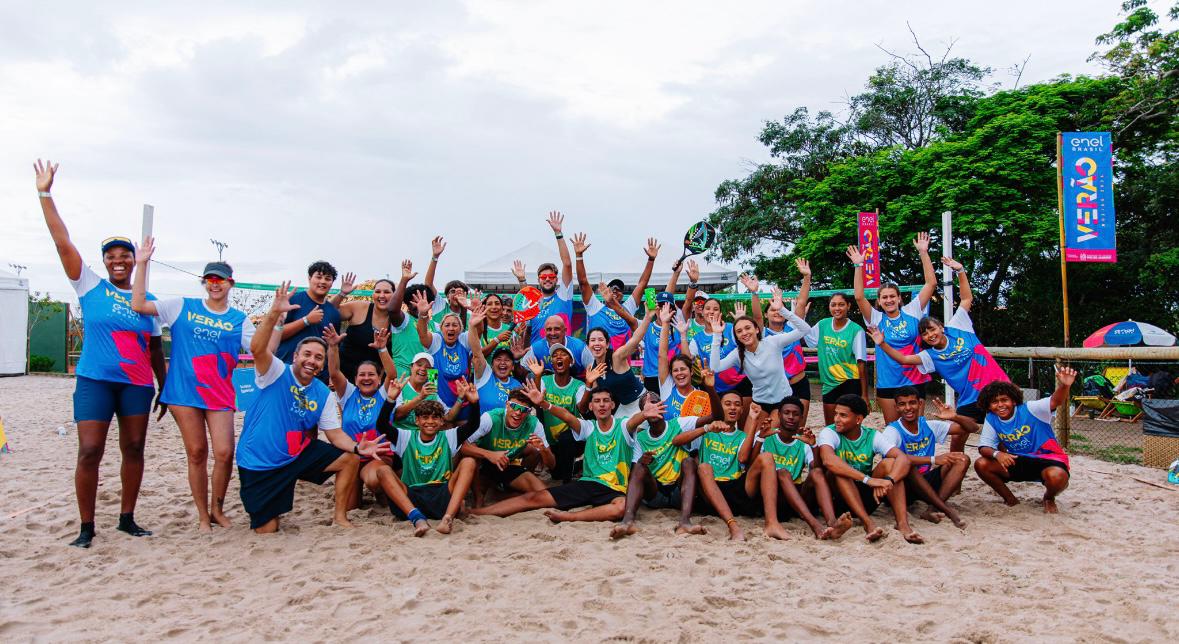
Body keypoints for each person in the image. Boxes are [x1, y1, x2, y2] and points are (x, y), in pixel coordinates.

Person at [34, 159, 167, 548]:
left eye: (125, 255)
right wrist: (45, 193)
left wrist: (164, 387)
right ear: (105, 261)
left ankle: (127, 518)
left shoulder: (148, 300)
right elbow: (62, 242)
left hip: (137, 384)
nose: (119, 260)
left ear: (135, 259)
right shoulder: (89, 285)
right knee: (90, 449)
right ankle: (86, 526)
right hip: (95, 379)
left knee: (134, 448)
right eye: (112, 256)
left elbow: (156, 348)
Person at [236, 283, 389, 533]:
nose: (312, 361)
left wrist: (356, 446)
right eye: (307, 354)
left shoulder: (321, 392)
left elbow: (334, 434)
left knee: (349, 459)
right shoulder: (275, 372)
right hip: (261, 462)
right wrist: (275, 313)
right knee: (268, 529)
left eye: (318, 358)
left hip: (297, 454)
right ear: (295, 356)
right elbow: (257, 348)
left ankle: (340, 517)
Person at [130, 237, 254, 532]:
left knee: (224, 452)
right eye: (210, 279)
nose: (215, 284)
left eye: (221, 280)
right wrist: (142, 262)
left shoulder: (239, 319)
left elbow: (263, 346)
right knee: (197, 452)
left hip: (220, 393)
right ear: (203, 282)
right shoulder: (181, 306)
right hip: (184, 393)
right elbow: (138, 304)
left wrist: (278, 315)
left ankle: (217, 510)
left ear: (230, 284)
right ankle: (202, 516)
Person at [869, 257, 1010, 449]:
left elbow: (967, 298)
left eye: (932, 329)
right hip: (969, 398)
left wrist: (960, 270)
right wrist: (883, 343)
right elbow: (902, 358)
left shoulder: (958, 325)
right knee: (959, 436)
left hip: (1000, 388)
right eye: (925, 334)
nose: (930, 334)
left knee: (1007, 434)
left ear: (941, 327)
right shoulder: (930, 357)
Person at [472, 388, 634, 523]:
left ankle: (571, 517)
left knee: (621, 508)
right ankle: (478, 512)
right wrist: (543, 404)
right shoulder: (588, 427)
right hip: (587, 483)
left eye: (606, 401)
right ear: (591, 406)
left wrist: (646, 413)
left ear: (612, 404)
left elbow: (637, 420)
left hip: (615, 488)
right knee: (534, 498)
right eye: (597, 401)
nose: (602, 405)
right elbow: (566, 416)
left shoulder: (624, 425)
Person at [611, 385, 722, 539]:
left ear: (663, 405)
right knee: (639, 468)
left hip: (679, 490)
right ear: (643, 412)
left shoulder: (679, 424)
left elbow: (715, 416)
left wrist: (710, 388)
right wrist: (643, 462)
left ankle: (685, 522)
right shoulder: (641, 438)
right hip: (655, 493)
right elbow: (636, 474)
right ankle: (628, 521)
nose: (653, 407)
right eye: (647, 406)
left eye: (656, 403)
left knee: (689, 462)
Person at [847, 233, 937, 423]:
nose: (889, 300)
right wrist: (858, 266)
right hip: (888, 381)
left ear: (899, 298)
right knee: (893, 430)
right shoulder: (875, 317)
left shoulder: (913, 311)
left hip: (915, 379)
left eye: (892, 296)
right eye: (884, 297)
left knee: (916, 429)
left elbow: (931, 283)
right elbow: (859, 297)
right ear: (879, 301)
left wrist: (923, 252)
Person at [817, 394, 923, 543]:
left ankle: (903, 524)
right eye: (836, 414)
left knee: (890, 464)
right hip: (838, 499)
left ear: (858, 419)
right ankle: (868, 523)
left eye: (843, 415)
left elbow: (903, 458)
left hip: (866, 496)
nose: (836, 419)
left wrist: (888, 480)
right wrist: (869, 480)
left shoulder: (872, 436)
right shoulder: (830, 432)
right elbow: (829, 461)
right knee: (839, 470)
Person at [973, 367, 1075, 514]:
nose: (1000, 405)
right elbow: (984, 446)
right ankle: (1010, 499)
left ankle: (1048, 498)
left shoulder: (1031, 408)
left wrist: (1065, 386)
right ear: (988, 405)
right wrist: (998, 454)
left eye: (1004, 400)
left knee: (1058, 477)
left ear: (1013, 401)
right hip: (1017, 459)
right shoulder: (991, 418)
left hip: (1046, 458)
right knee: (981, 464)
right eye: (994, 402)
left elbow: (1055, 401)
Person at [321, 323, 401, 509]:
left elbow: (392, 373)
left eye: (371, 375)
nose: (366, 378)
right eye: (362, 375)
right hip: (351, 455)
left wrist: (382, 348)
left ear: (379, 379)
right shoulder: (348, 394)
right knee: (350, 507)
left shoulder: (383, 393)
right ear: (355, 379)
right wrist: (333, 347)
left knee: (374, 481)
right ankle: (362, 490)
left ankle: (383, 489)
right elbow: (334, 373)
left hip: (377, 455)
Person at [880, 387, 977, 528]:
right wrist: (933, 459)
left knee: (962, 459)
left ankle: (932, 509)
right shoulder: (892, 430)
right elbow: (892, 459)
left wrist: (954, 417)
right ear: (896, 407)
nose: (908, 408)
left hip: (925, 480)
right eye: (902, 404)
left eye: (912, 403)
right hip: (902, 484)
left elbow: (972, 428)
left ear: (920, 404)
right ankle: (945, 509)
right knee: (908, 465)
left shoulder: (929, 425)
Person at [758, 397, 852, 540]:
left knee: (817, 472)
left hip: (797, 495)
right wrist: (760, 439)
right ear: (779, 415)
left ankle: (832, 523)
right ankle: (815, 525)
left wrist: (814, 446)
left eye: (795, 414)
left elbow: (817, 469)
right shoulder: (768, 435)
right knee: (783, 473)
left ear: (801, 417)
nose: (791, 417)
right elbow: (750, 465)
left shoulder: (803, 441)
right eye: (786, 413)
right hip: (772, 496)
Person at [382, 400, 479, 535]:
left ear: (441, 422)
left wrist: (474, 402)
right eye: (425, 417)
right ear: (417, 421)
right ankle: (417, 518)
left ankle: (448, 518)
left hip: (442, 496)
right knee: (383, 470)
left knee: (469, 462)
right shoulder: (405, 437)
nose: (430, 421)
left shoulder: (449, 436)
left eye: (435, 417)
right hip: (412, 497)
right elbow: (382, 425)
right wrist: (390, 401)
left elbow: (473, 425)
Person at [705, 299, 811, 423]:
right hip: (759, 403)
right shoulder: (738, 354)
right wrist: (717, 335)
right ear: (737, 337)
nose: (744, 333)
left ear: (756, 330)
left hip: (782, 400)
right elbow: (715, 368)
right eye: (739, 331)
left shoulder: (773, 342)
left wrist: (782, 310)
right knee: (751, 438)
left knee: (765, 433)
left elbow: (805, 329)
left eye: (747, 328)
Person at [694, 392, 772, 541]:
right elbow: (676, 441)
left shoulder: (742, 436)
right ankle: (733, 526)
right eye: (727, 404)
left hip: (735, 489)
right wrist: (706, 428)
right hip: (711, 489)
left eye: (737, 405)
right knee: (704, 467)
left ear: (742, 410)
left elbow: (743, 458)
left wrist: (754, 420)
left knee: (766, 458)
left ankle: (772, 522)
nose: (733, 408)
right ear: (719, 407)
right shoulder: (708, 430)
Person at [460, 383, 554, 502]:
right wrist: (490, 455)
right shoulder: (490, 418)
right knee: (470, 458)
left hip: (509, 463)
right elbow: (463, 447)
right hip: (485, 463)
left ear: (529, 411)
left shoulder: (534, 424)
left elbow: (552, 465)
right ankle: (480, 498)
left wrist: (544, 450)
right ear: (507, 405)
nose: (518, 412)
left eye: (524, 409)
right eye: (514, 406)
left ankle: (502, 492)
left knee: (543, 492)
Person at [571, 233, 659, 348]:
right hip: (599, 361)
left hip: (621, 363)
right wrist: (579, 256)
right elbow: (583, 282)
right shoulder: (594, 307)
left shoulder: (628, 308)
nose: (616, 291)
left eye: (619, 289)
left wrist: (651, 259)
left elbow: (642, 284)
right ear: (605, 293)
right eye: (612, 288)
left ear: (623, 296)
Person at [579, 304, 654, 418]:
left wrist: (648, 316)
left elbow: (635, 339)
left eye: (601, 340)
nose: (597, 343)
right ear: (588, 345)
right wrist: (588, 384)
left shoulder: (617, 357)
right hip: (623, 407)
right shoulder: (592, 368)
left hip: (642, 401)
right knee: (615, 432)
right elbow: (592, 398)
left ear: (607, 344)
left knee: (634, 432)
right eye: (593, 340)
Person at [511, 212, 575, 343]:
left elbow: (567, 264)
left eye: (551, 276)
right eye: (543, 276)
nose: (547, 279)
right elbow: (528, 298)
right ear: (539, 280)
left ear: (556, 279)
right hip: (537, 356)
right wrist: (522, 280)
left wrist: (558, 234)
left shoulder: (563, 295)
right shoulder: (534, 302)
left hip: (561, 354)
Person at [275, 260, 343, 384]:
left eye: (327, 279)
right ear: (309, 278)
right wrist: (306, 320)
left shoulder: (333, 312)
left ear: (332, 283)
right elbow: (275, 335)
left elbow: (332, 347)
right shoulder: (294, 301)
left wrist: (331, 374)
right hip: (285, 372)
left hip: (316, 378)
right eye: (318, 277)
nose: (322, 282)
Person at [806, 292, 867, 425]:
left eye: (841, 304)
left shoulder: (856, 330)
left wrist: (865, 395)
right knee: (831, 426)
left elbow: (861, 362)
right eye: (833, 305)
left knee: (850, 424)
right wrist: (800, 315)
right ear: (829, 307)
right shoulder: (823, 325)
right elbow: (806, 336)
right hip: (829, 383)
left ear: (848, 306)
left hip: (850, 382)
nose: (837, 308)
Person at [529, 346, 588, 483]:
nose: (559, 357)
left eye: (563, 354)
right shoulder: (545, 380)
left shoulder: (578, 385)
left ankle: (567, 483)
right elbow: (537, 399)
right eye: (555, 356)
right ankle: (578, 466)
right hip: (551, 439)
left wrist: (589, 385)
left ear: (571, 361)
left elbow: (582, 408)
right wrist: (537, 376)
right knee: (556, 474)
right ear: (552, 362)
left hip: (572, 439)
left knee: (565, 440)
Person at [411, 290, 474, 417]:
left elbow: (477, 331)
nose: (451, 328)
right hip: (438, 401)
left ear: (460, 329)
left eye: (455, 325)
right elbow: (422, 334)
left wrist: (473, 311)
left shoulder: (463, 339)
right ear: (441, 328)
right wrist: (423, 315)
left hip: (463, 401)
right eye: (447, 325)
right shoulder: (437, 340)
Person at [763, 261, 813, 420]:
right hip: (775, 386)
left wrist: (806, 277)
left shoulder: (793, 326)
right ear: (766, 315)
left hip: (799, 383)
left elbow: (802, 302)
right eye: (772, 309)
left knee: (798, 427)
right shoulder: (761, 333)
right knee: (774, 427)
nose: (777, 311)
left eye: (779, 308)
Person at [333, 276, 398, 382]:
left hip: (372, 381)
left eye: (386, 292)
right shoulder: (359, 307)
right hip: (344, 376)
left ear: (394, 295)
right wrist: (342, 294)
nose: (381, 295)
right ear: (373, 294)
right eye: (377, 291)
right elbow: (329, 311)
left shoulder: (399, 320)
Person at [382, 352, 468, 432]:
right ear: (411, 367)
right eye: (419, 365)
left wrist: (460, 398)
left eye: (427, 367)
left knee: (449, 426)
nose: (423, 369)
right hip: (402, 435)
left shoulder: (431, 389)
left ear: (431, 371)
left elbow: (448, 417)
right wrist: (420, 397)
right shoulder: (400, 386)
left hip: (424, 437)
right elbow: (397, 416)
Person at [639, 263, 689, 393]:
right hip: (651, 377)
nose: (664, 310)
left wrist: (676, 274)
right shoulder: (646, 327)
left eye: (668, 307)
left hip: (674, 376)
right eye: (660, 306)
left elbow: (680, 299)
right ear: (655, 308)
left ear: (673, 310)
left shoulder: (679, 327)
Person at [467, 301, 522, 415]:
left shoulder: (517, 385)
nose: (502, 362)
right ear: (491, 365)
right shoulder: (485, 376)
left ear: (512, 367)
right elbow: (477, 354)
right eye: (498, 359)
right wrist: (472, 326)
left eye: (507, 360)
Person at [517, 315, 595, 375]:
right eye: (549, 329)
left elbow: (594, 371)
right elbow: (522, 373)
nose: (553, 333)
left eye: (557, 329)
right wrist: (516, 360)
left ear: (565, 331)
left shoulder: (579, 347)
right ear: (544, 332)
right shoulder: (536, 348)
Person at [423, 236, 471, 332]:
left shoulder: (470, 318)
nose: (457, 294)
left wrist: (465, 308)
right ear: (447, 296)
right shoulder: (440, 306)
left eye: (460, 292)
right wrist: (435, 257)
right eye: (453, 291)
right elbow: (428, 284)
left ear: (466, 296)